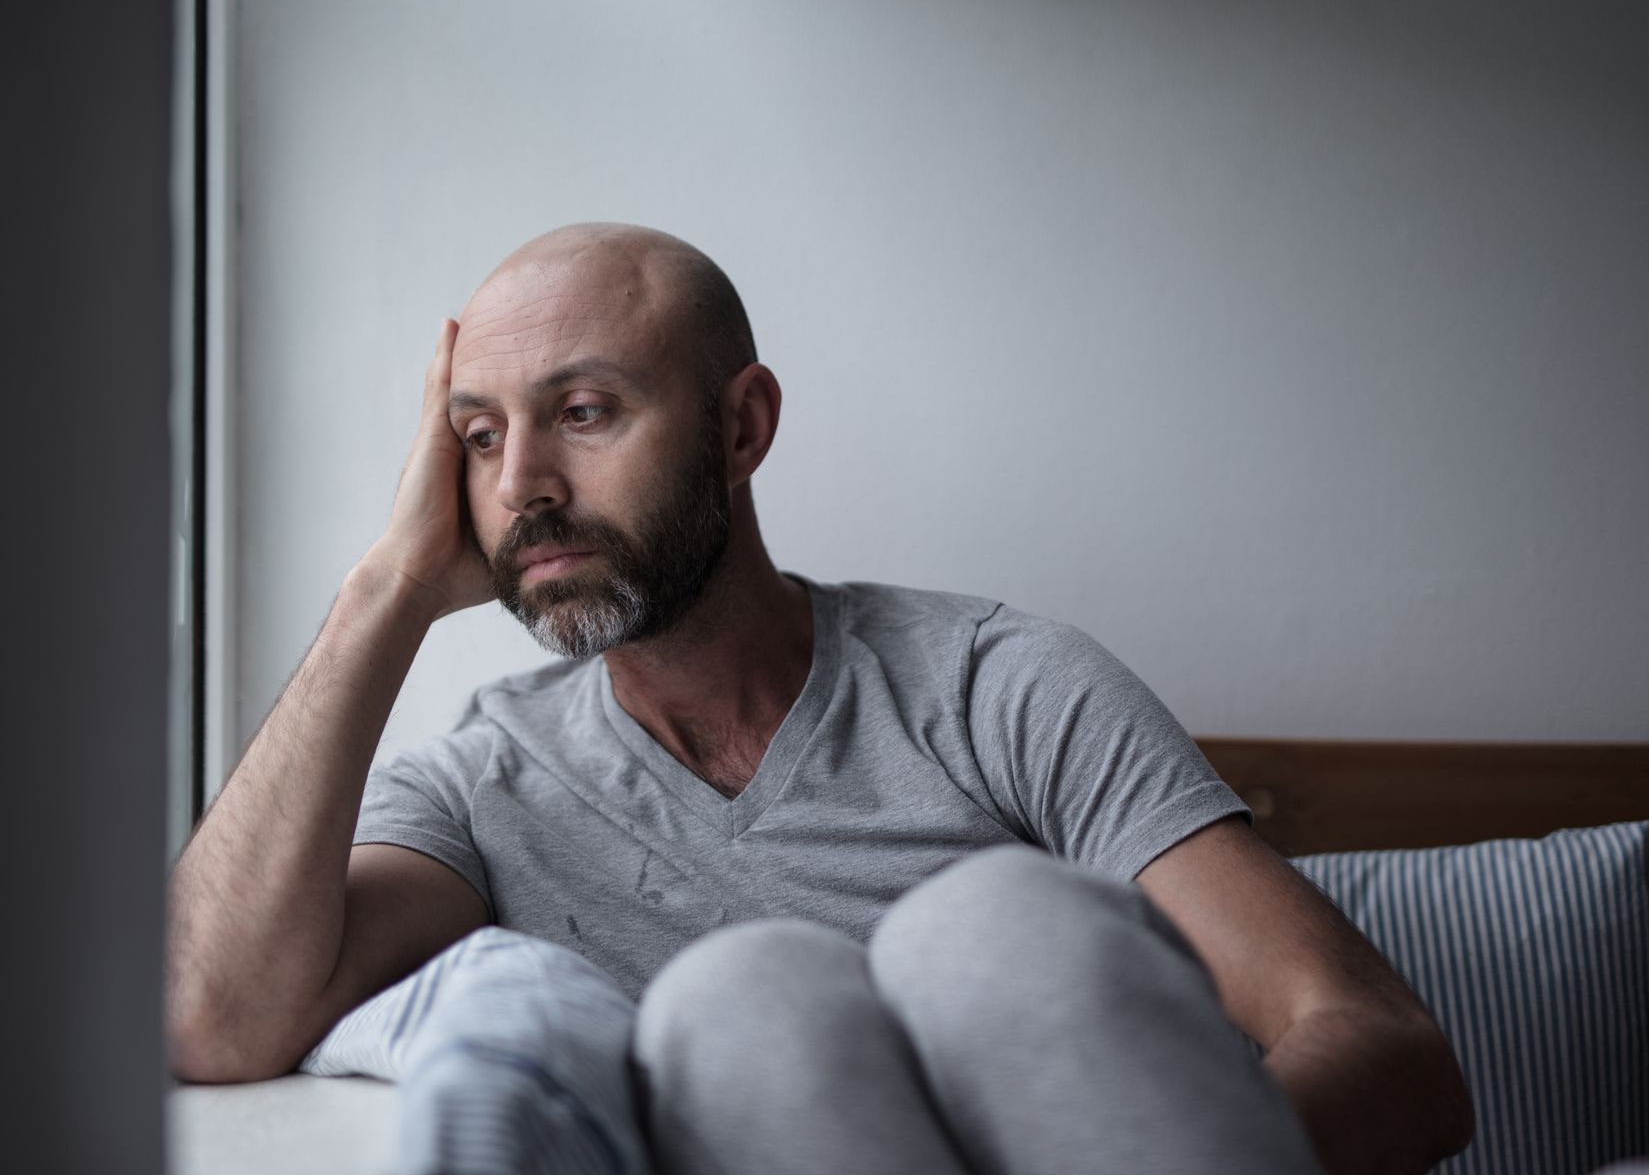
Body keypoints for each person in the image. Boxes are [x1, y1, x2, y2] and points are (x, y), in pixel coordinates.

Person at [166, 224, 1473, 1175]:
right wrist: (388, 587)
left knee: (990, 933)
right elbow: (211, 1015)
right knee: (742, 1007)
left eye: (584, 411)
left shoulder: (998, 687)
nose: (522, 488)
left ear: (741, 430)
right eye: (480, 438)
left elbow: (1382, 1044)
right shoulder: (488, 783)